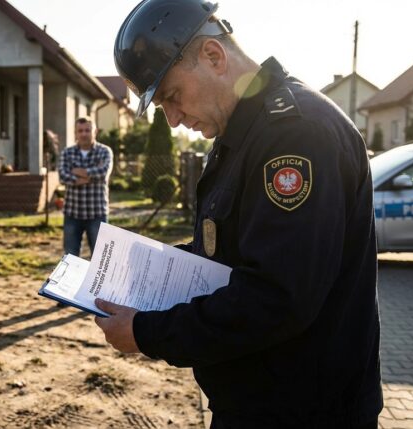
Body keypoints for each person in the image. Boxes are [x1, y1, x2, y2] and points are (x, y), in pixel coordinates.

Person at [94, 0, 383, 427]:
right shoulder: (244, 134)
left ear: (213, 56)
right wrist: (137, 270)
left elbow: (275, 297)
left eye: (172, 97)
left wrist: (147, 332)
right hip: (259, 399)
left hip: (303, 412)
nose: (172, 120)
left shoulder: (295, 135)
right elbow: (229, 251)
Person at [57, 117, 114, 257]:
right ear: (75, 133)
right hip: (72, 213)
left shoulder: (105, 151)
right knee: (70, 258)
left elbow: (103, 173)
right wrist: (91, 176)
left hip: (97, 213)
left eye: (87, 130)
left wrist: (76, 172)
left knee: (100, 258)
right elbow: (63, 176)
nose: (84, 134)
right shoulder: (67, 152)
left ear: (95, 132)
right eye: (80, 131)